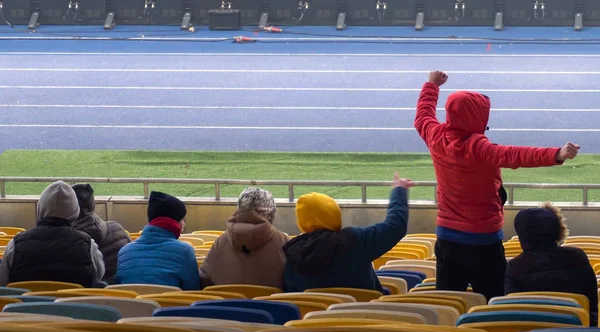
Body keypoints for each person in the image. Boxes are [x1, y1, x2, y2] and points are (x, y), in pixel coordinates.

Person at [414, 70, 580, 301]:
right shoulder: (478, 148)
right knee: (493, 301)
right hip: (484, 241)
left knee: (448, 301)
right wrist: (556, 154)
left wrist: (432, 85)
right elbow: (514, 155)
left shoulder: (435, 135)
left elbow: (422, 116)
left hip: (447, 239)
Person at [283, 173, 413, 293]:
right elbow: (395, 227)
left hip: (313, 318)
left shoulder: (291, 254)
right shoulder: (356, 240)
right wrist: (399, 191)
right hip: (365, 316)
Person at [505, 203, 598, 326]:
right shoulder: (577, 257)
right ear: (557, 230)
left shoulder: (515, 267)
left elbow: (513, 312)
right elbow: (592, 306)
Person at [0, 181, 105, 287]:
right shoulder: (88, 245)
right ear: (74, 211)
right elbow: (97, 278)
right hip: (72, 303)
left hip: (25, 303)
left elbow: (3, 282)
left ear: (40, 207)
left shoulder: (15, 244)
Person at [200, 187, 288, 289]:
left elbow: (204, 279)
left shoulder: (221, 242)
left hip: (228, 304)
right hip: (271, 304)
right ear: (272, 213)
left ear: (239, 209)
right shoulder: (282, 241)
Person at [115, 191, 201, 290]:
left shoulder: (124, 252)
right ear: (174, 222)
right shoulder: (185, 251)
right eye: (181, 219)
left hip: (130, 305)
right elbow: (193, 291)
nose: (184, 224)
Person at [72, 183, 131, 284]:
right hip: (118, 295)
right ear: (93, 205)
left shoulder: (64, 240)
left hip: (81, 297)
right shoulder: (118, 229)